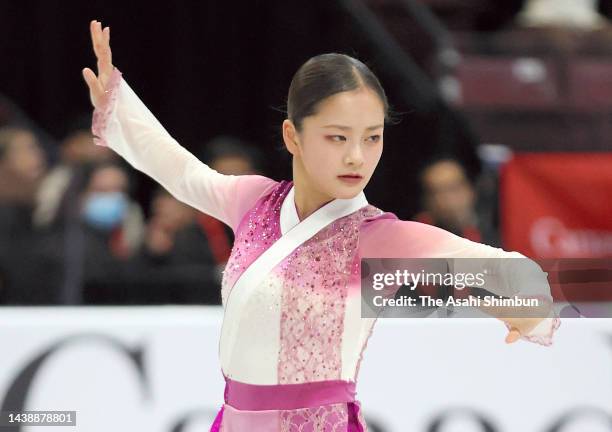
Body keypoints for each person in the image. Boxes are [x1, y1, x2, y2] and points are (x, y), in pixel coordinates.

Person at [82, 20, 561, 431]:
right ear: (293, 135)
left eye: (371, 138)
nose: (357, 156)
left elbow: (512, 278)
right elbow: (184, 172)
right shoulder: (254, 202)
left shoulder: (383, 237)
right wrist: (118, 105)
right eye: (337, 137)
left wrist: (520, 303)